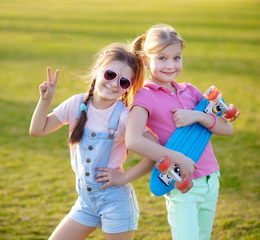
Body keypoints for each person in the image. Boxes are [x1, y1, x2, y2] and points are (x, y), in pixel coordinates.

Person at [98, 24, 234, 240]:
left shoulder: (190, 91)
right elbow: (133, 140)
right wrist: (178, 157)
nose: (171, 65)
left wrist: (197, 116)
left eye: (176, 58)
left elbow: (228, 128)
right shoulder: (145, 97)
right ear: (146, 61)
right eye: (162, 58)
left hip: (211, 179)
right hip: (181, 185)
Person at [29, 43, 153, 240]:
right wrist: (45, 100)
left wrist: (124, 177)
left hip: (116, 203)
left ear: (127, 88)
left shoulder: (124, 116)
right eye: (110, 75)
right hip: (86, 203)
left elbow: (154, 151)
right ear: (97, 70)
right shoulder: (76, 104)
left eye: (123, 82)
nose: (114, 84)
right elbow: (37, 130)